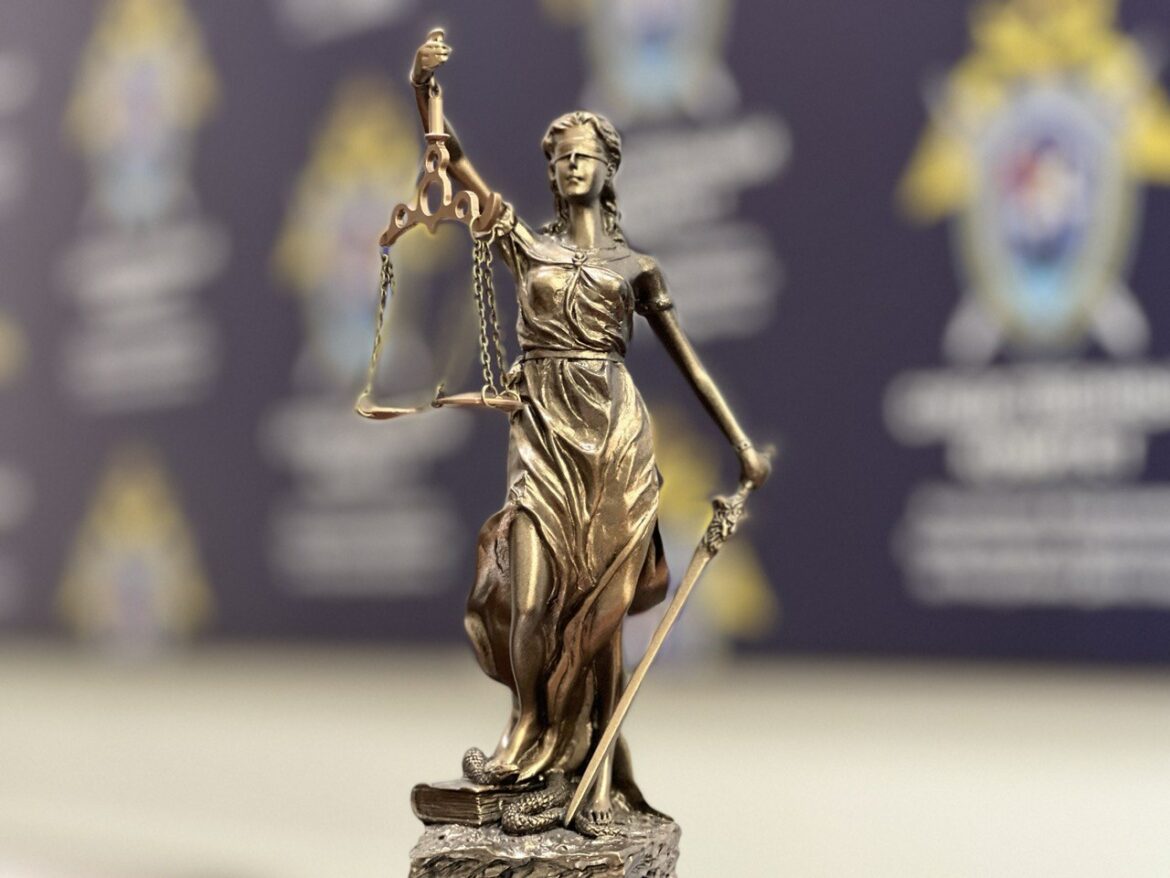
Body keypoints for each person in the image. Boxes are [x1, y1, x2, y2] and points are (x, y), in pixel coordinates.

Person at [409, 35, 771, 829]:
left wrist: (742, 445)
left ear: (608, 169)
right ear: (549, 171)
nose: (572, 166)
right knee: (529, 601)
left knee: (600, 619)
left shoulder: (636, 269)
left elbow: (691, 365)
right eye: (561, 157)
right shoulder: (525, 245)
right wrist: (426, 93)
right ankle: (526, 733)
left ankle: (588, 774)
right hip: (543, 442)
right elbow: (456, 166)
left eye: (585, 156)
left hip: (614, 445)